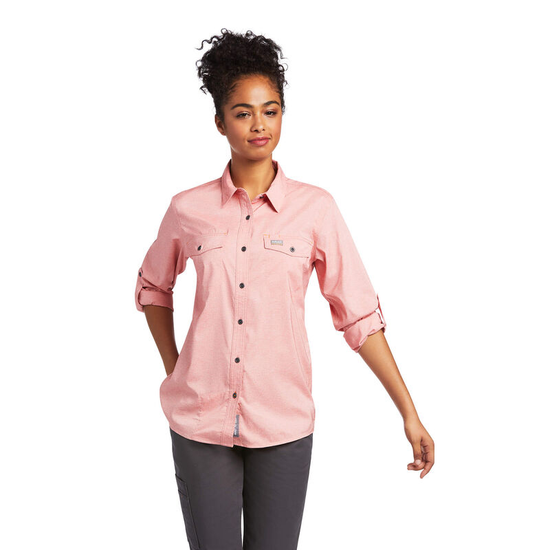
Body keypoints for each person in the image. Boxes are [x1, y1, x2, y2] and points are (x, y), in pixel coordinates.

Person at [135, 28, 434, 550]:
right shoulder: (187, 209)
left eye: (270, 111)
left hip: (284, 424)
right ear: (219, 122)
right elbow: (152, 287)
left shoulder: (316, 209)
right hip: (199, 424)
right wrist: (176, 367)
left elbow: (359, 316)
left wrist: (409, 412)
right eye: (243, 112)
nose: (259, 125)